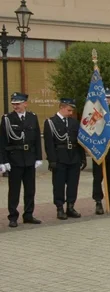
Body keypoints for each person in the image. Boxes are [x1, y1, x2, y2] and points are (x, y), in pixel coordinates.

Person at [1, 92, 43, 227]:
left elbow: (36, 138)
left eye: (18, 104)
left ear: (25, 103)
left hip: (29, 158)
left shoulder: (32, 117)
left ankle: (29, 214)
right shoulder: (7, 118)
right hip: (14, 158)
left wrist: (38, 157)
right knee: (14, 190)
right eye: (13, 104)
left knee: (30, 189)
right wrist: (3, 161)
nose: (15, 106)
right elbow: (2, 141)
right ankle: (13, 216)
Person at [44, 98, 86, 220]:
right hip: (59, 157)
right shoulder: (51, 122)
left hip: (73, 157)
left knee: (73, 184)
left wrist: (82, 158)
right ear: (61, 108)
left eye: (72, 110)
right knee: (59, 184)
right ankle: (60, 208)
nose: (71, 113)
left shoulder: (74, 123)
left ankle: (71, 206)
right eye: (69, 110)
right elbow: (49, 143)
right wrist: (52, 160)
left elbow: (79, 141)